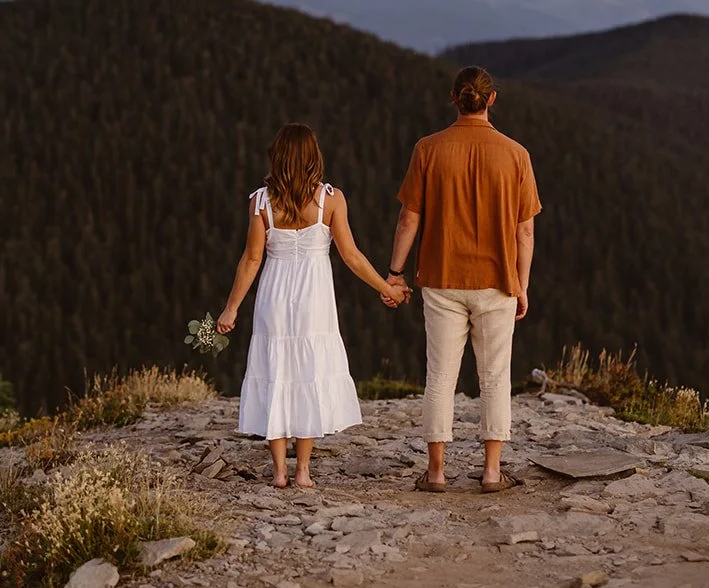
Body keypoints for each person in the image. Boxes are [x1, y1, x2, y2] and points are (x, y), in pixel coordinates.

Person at [217, 123, 407, 489]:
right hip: (314, 297)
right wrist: (388, 288)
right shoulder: (331, 199)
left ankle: (279, 471)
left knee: (276, 372)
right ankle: (303, 470)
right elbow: (351, 256)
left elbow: (252, 260)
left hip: (274, 295)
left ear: (278, 157)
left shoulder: (260, 202)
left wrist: (231, 308)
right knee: (307, 371)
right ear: (313, 158)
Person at [386, 66, 540, 493]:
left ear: (454, 98)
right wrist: (522, 284)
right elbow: (524, 231)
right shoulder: (516, 154)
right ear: (492, 100)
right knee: (494, 377)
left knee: (440, 376)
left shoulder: (428, 149)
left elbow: (408, 218)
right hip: (497, 280)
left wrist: (395, 272)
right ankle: (491, 472)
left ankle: (435, 472)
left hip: (441, 277)